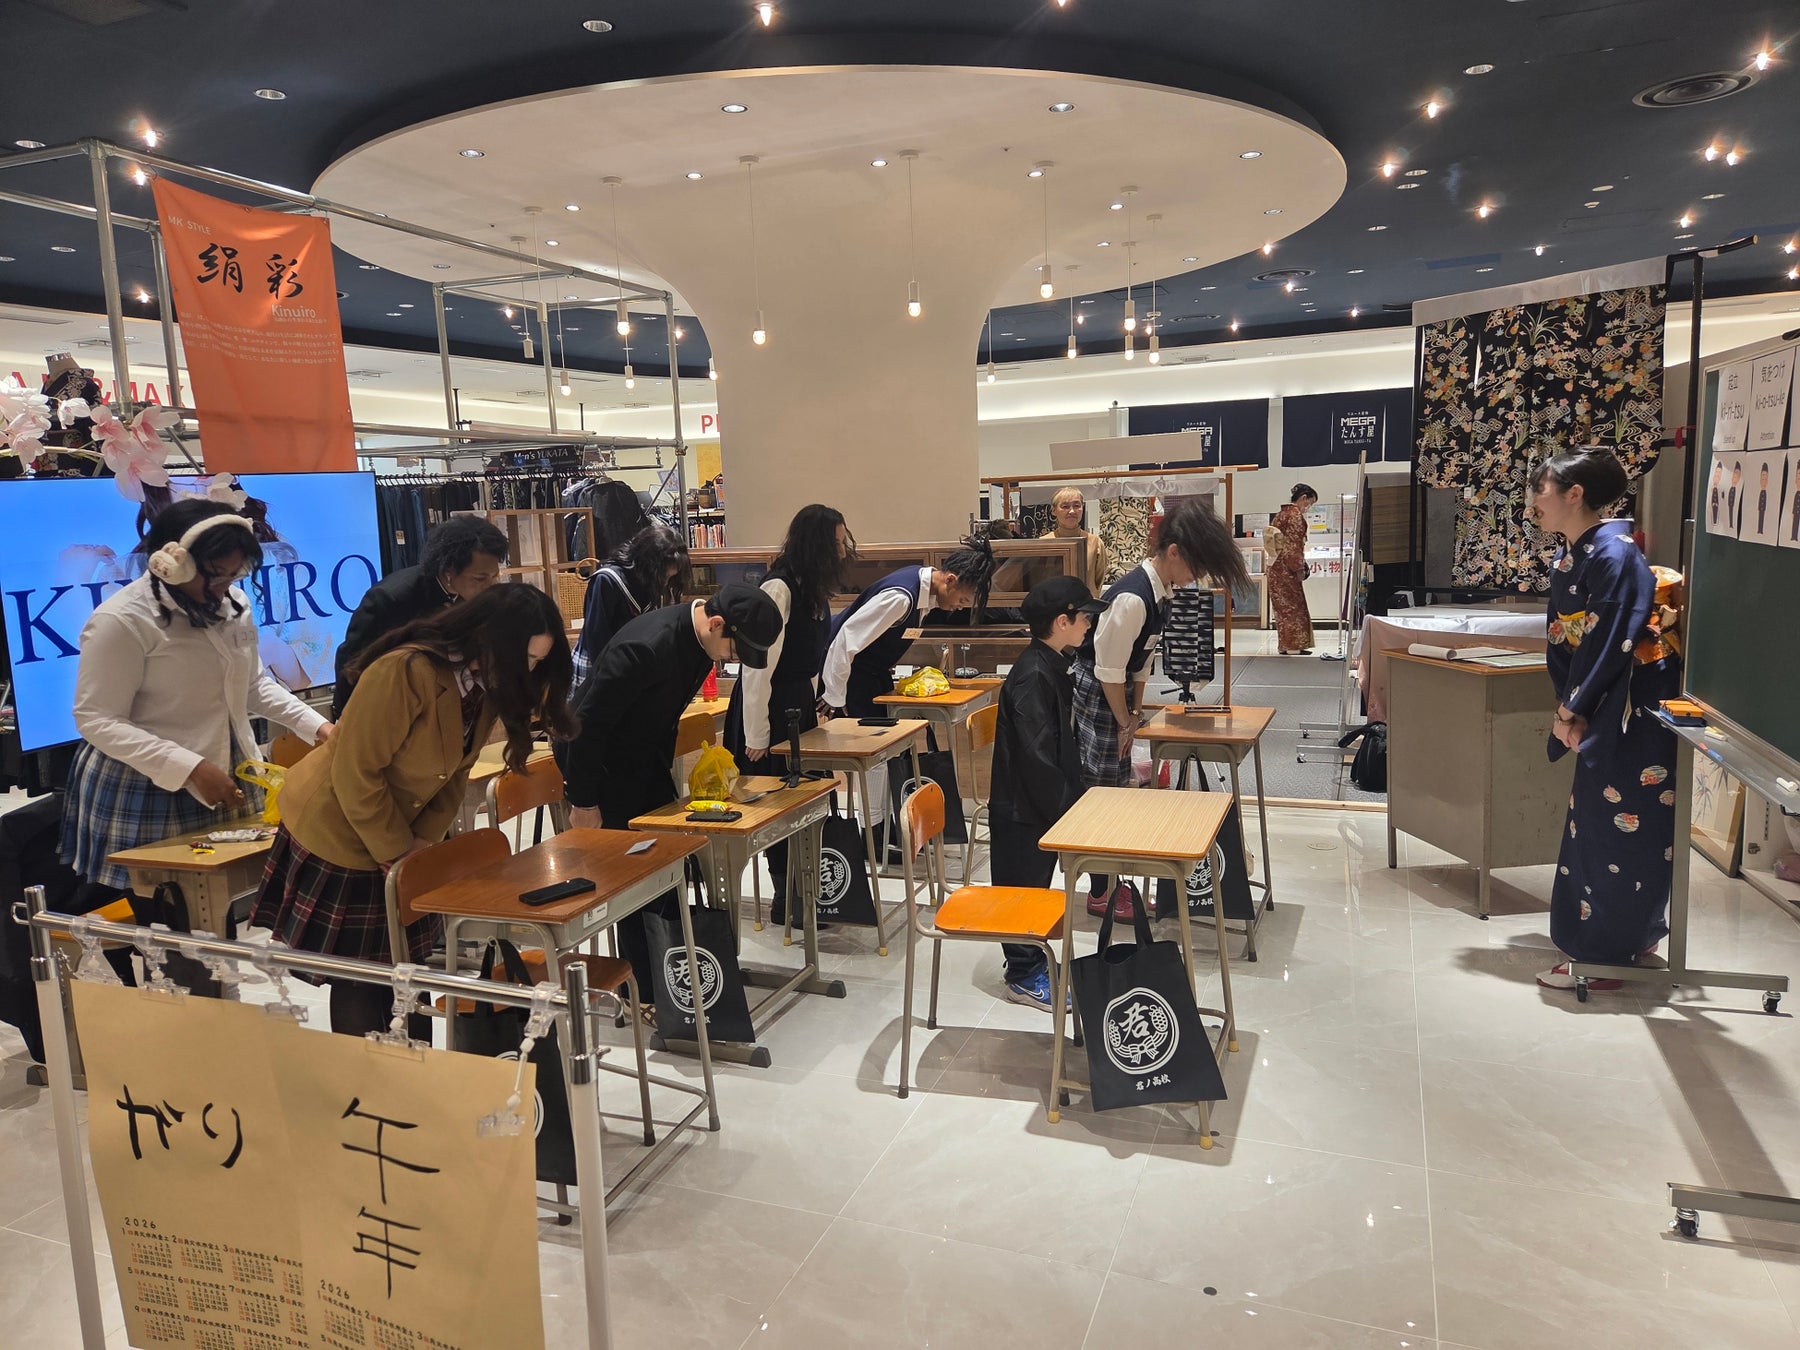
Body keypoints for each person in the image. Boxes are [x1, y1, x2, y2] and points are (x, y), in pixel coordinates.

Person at [253, 584, 575, 1037]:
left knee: (408, 970)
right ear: (490, 639)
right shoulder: (406, 671)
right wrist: (398, 852)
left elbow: (456, 773)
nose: (530, 671)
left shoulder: (485, 684)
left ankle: (413, 1067)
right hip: (337, 827)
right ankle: (370, 1076)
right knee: (363, 977)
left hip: (399, 832)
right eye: (526, 658)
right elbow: (356, 774)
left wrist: (422, 845)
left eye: (539, 662)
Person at [62, 498, 332, 914]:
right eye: (215, 574)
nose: (225, 585)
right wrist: (189, 767)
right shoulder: (122, 619)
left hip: (224, 766)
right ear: (172, 563)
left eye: (234, 573)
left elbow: (253, 685)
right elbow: (96, 718)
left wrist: (320, 728)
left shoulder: (233, 605)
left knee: (224, 906)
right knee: (166, 915)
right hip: (148, 780)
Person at [563, 584, 783, 1001]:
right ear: (717, 624)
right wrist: (585, 800)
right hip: (600, 766)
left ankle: (671, 977)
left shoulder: (701, 643)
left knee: (667, 864)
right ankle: (644, 994)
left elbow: (662, 720)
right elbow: (586, 729)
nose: (731, 661)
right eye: (734, 652)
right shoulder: (646, 647)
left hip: (644, 759)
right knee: (631, 876)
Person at [1526, 449, 1681, 992]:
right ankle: (1626, 940)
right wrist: (1572, 703)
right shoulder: (1578, 553)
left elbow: (1610, 641)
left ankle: (1606, 956)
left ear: (1575, 494)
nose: (1533, 500)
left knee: (1620, 829)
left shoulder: (1614, 554)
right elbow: (1575, 639)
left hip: (1628, 707)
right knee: (1596, 825)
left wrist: (1573, 709)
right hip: (1602, 701)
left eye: (1541, 489)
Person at [1072, 497, 1250, 919]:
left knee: (1118, 790)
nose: (1197, 576)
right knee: (1101, 793)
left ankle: (1114, 884)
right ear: (1173, 552)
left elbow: (1142, 662)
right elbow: (1108, 670)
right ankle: (1100, 891)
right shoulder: (1133, 598)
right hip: (1097, 692)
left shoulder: (1162, 592)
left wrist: (1134, 715)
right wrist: (1124, 721)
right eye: (1197, 566)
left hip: (1115, 693)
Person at [722, 505, 854, 925]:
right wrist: (756, 735)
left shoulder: (812, 589)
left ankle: (807, 890)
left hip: (798, 705)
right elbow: (757, 669)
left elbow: (809, 656)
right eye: (836, 543)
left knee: (808, 797)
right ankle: (786, 897)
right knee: (777, 803)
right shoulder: (779, 588)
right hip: (771, 708)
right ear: (817, 545)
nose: (842, 551)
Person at [990, 576, 1107, 1010]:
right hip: (1022, 809)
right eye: (1085, 617)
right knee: (1022, 892)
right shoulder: (1033, 676)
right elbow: (1036, 758)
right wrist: (1068, 815)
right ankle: (1022, 975)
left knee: (1035, 890)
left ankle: (1031, 962)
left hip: (1036, 804)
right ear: (1062, 621)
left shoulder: (1052, 663)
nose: (1089, 624)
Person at [331, 514, 509, 716]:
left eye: (494, 577)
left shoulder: (474, 597)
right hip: (390, 706)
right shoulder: (391, 599)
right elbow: (352, 662)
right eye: (480, 578)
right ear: (449, 571)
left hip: (444, 703)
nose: (490, 586)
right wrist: (347, 719)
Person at [821, 536, 998, 717]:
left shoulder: (923, 586)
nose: (960, 607)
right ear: (950, 580)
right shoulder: (901, 598)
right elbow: (847, 637)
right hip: (843, 672)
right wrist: (833, 694)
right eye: (962, 600)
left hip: (871, 674)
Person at [571, 522, 691, 687]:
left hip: (626, 665)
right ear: (648, 563)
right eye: (664, 575)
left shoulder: (647, 583)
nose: (665, 582)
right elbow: (596, 639)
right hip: (597, 668)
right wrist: (612, 678)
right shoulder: (607, 580)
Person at [1268, 483, 1317, 655]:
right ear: (1303, 498)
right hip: (1286, 569)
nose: (1308, 508)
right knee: (1295, 607)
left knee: (1282, 609)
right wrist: (1299, 568)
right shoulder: (1295, 517)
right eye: (1310, 503)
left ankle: (1284, 644)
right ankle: (1294, 645)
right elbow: (1293, 546)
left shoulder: (1280, 514)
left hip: (1274, 567)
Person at [1038, 487, 1109, 593]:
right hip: (1053, 602)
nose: (1072, 511)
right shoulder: (1043, 543)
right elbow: (1039, 580)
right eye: (1065, 506)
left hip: (1086, 601)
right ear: (1054, 510)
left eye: (1076, 506)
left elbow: (1098, 580)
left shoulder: (1095, 542)